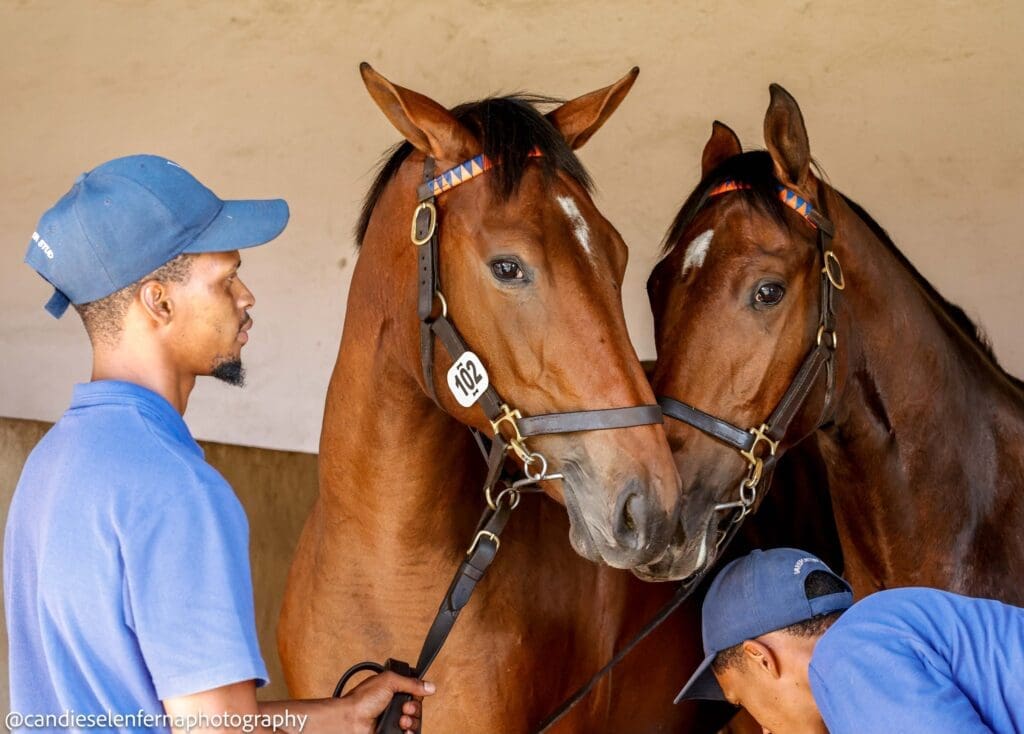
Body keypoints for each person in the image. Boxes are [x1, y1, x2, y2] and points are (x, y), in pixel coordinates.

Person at [4, 155, 433, 734]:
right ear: (159, 302)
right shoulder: (175, 487)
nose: (246, 296)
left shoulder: (50, 464)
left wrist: (340, 716)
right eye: (226, 279)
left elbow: (192, 718)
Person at [674, 547, 1024, 734]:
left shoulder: (844, 657)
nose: (764, 730)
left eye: (742, 702)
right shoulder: (881, 626)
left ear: (760, 658)